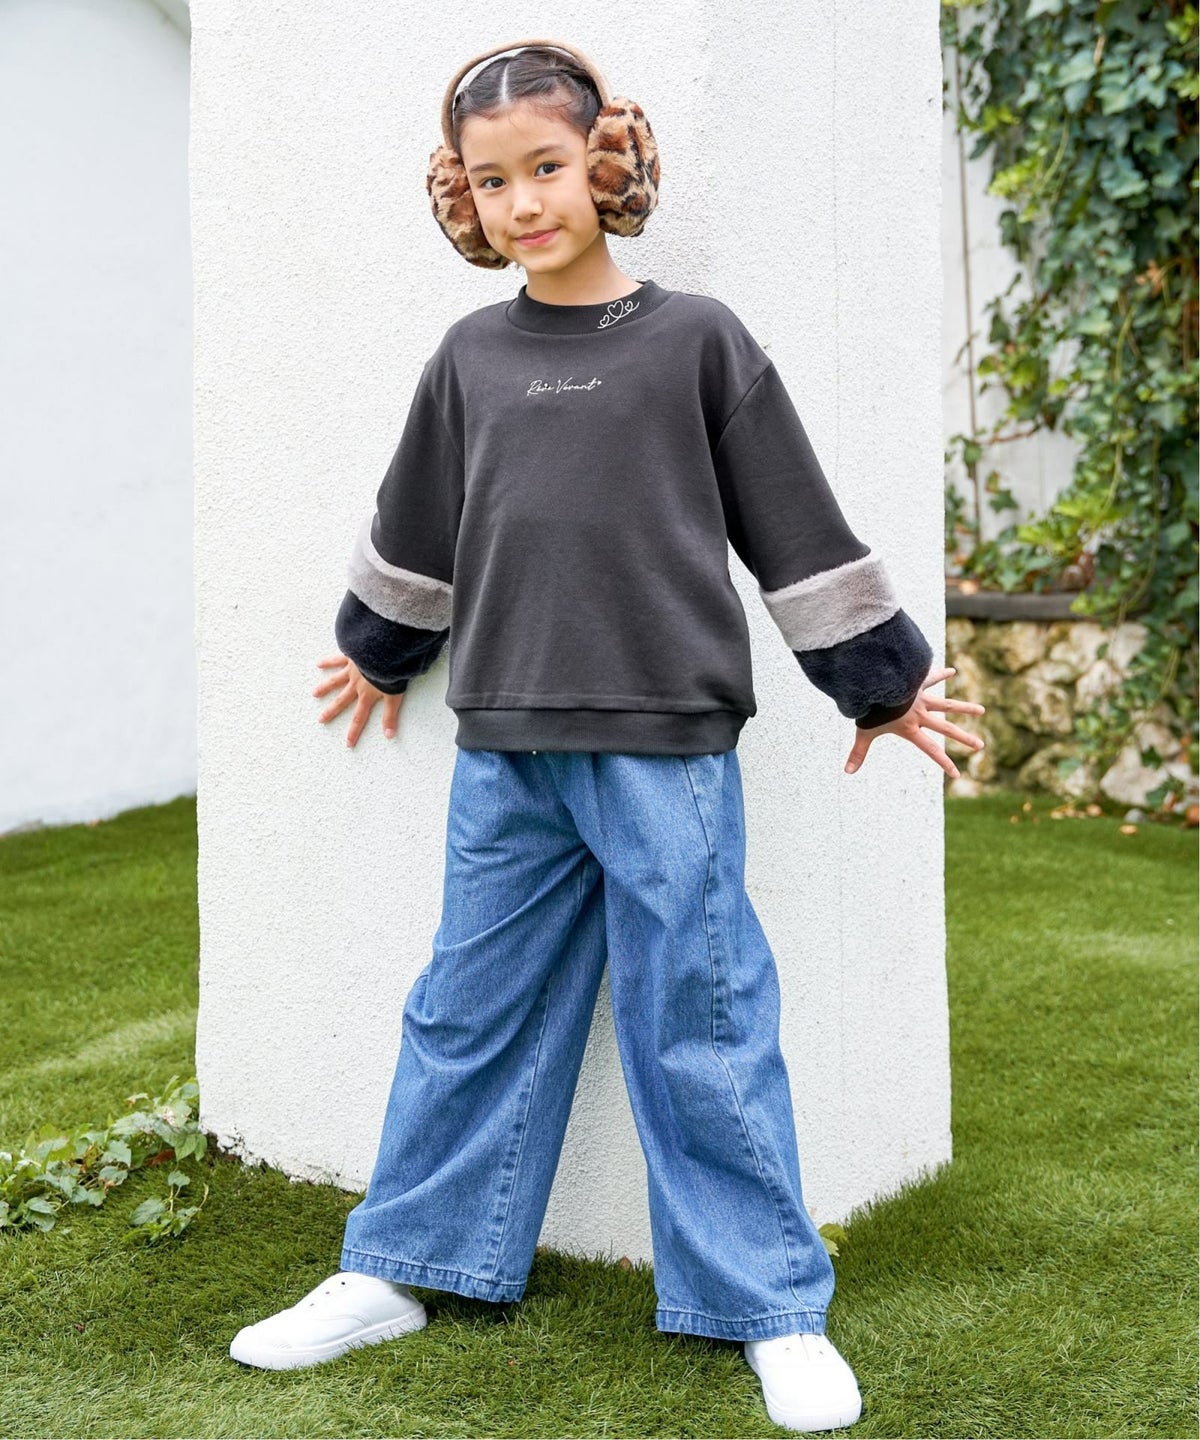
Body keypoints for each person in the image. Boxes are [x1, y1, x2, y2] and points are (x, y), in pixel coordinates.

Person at [227, 38, 986, 1433]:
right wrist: (379, 651)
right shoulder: (469, 358)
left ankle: (769, 1307)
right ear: (462, 196)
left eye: (547, 167)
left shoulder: (698, 340)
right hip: (505, 742)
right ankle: (403, 1265)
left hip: (666, 744)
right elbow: (418, 524)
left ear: (606, 161)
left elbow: (792, 521)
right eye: (490, 180)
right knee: (464, 1009)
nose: (523, 201)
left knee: (699, 1017)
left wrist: (881, 684)